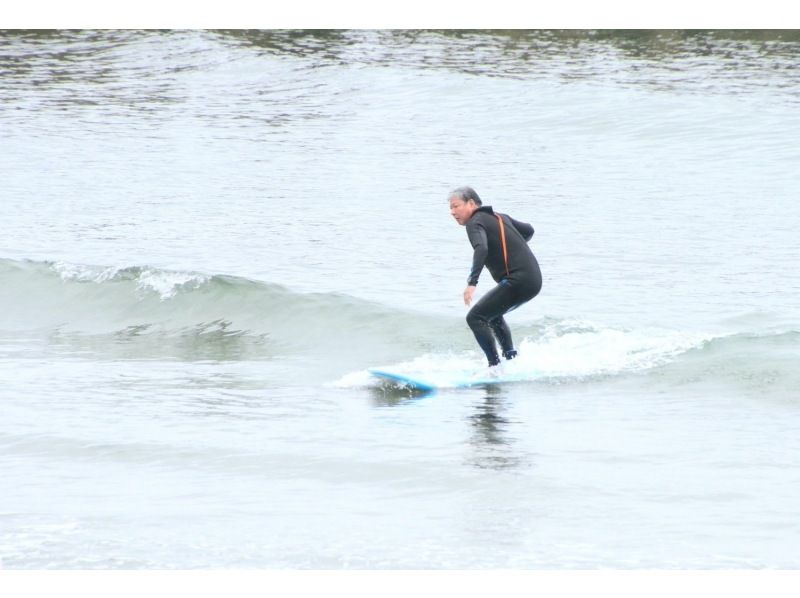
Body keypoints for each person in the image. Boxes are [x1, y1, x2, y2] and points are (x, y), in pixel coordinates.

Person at [448, 186, 542, 368]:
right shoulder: (500, 217)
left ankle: (494, 366)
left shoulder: (474, 222)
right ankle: (511, 359)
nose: (452, 212)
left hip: (518, 280)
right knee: (492, 314)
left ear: (471, 203)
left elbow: (481, 248)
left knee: (475, 318)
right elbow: (529, 230)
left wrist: (472, 283)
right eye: (450, 208)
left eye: (456, 206)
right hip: (533, 280)